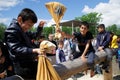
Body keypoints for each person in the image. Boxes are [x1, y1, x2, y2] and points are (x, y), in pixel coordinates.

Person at [4, 8, 45, 79]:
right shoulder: (12, 30)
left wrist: (40, 28)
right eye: (29, 25)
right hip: (22, 67)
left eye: (31, 26)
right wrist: (33, 50)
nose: (29, 28)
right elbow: (15, 48)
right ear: (20, 20)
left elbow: (35, 36)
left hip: (28, 63)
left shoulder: (22, 29)